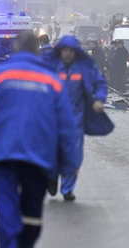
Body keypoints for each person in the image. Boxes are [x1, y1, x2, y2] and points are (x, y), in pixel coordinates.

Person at [0, 30, 78, 248]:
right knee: (32, 215)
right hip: (38, 157)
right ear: (38, 51)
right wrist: (68, 162)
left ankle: (11, 243)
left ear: (14, 49)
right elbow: (67, 126)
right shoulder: (52, 82)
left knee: (6, 207)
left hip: (1, 155)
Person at [47, 35, 114, 201]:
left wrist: (99, 99)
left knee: (73, 156)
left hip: (75, 119)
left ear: (76, 52)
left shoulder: (85, 67)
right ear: (60, 51)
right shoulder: (51, 66)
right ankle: (52, 175)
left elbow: (100, 83)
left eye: (71, 51)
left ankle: (67, 189)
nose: (67, 54)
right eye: (65, 50)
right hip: (53, 118)